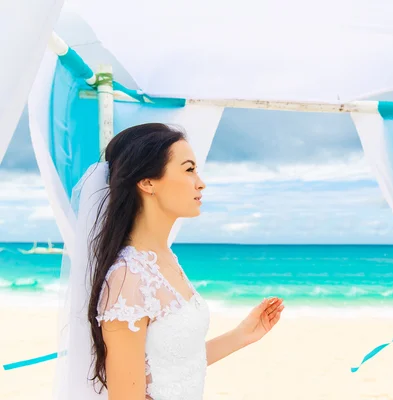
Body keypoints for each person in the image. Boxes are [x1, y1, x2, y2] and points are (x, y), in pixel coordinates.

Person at [56, 123, 284, 400]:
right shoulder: (128, 277)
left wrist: (242, 335)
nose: (201, 182)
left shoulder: (164, 259)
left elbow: (176, 366)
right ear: (147, 182)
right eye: (189, 169)